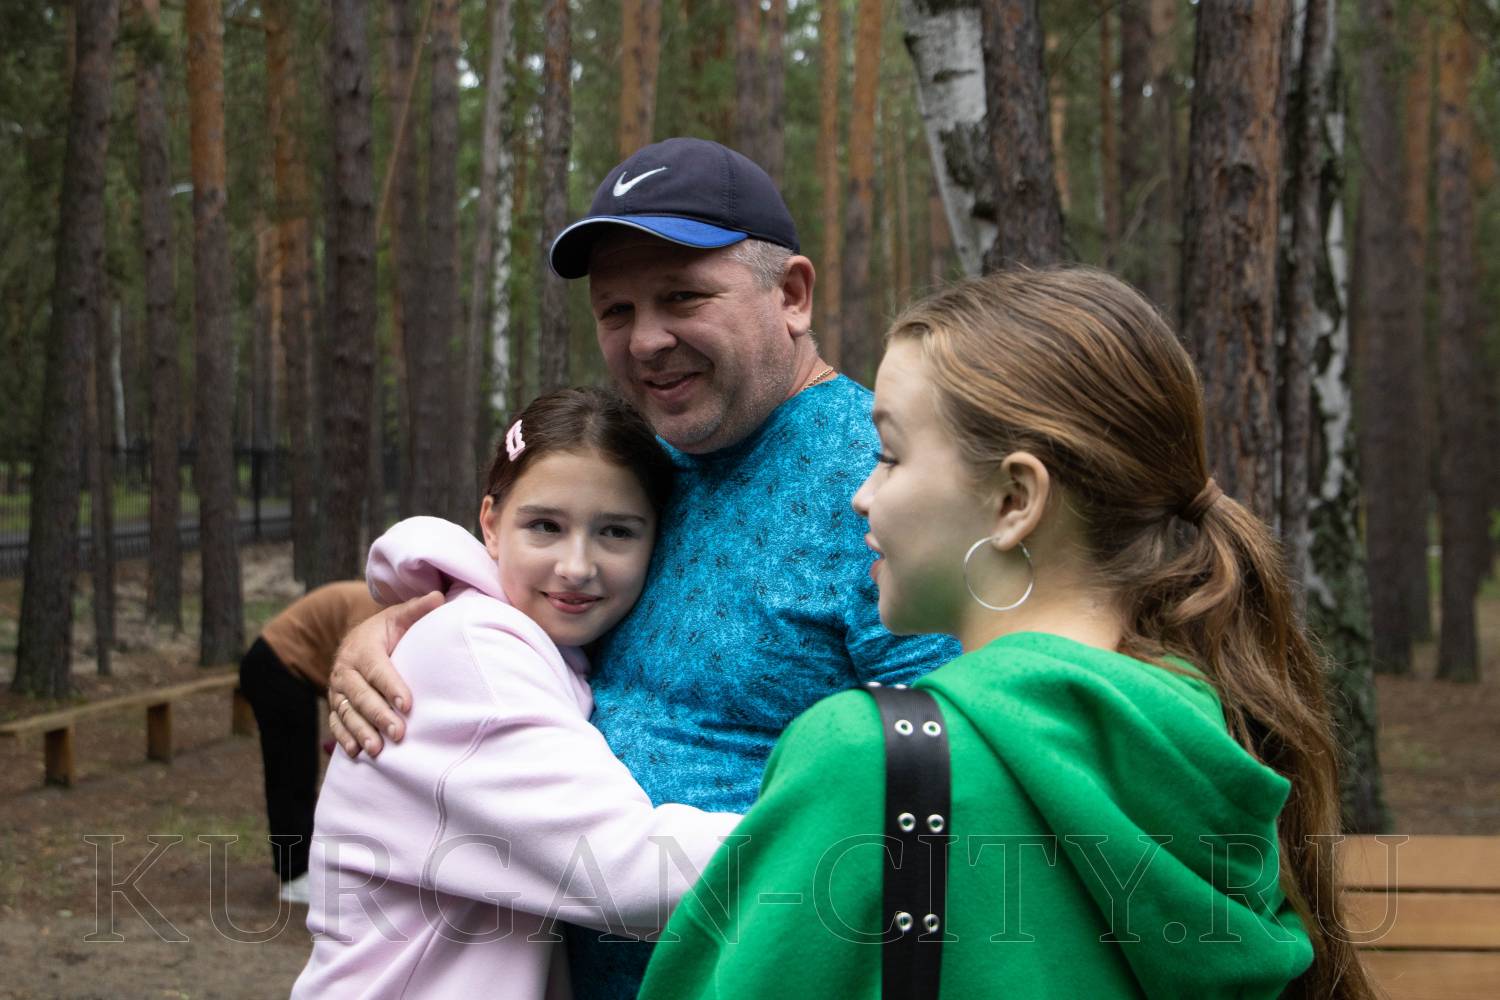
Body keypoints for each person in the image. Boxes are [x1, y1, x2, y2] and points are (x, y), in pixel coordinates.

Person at [635, 266, 1378, 999]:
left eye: (890, 455)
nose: (863, 495)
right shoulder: (1213, 731)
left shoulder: (866, 761)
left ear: (1015, 500)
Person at [325, 137, 958, 995]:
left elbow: (950, 781)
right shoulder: (645, 472)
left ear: (792, 295)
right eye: (616, 310)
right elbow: (531, 586)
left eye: (683, 296)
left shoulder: (879, 487)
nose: (648, 340)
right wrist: (399, 623)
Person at [293, 387, 741, 999]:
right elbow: (624, 872)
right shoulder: (474, 656)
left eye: (616, 532)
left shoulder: (524, 641)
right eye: (545, 526)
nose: (576, 566)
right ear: (490, 523)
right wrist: (816, 823)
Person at [237, 580, 381, 904]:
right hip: (275, 666)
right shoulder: (373, 609)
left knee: (297, 772)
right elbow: (347, 674)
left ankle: (306, 865)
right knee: (291, 773)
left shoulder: (383, 606)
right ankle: (294, 874)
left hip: (289, 671)